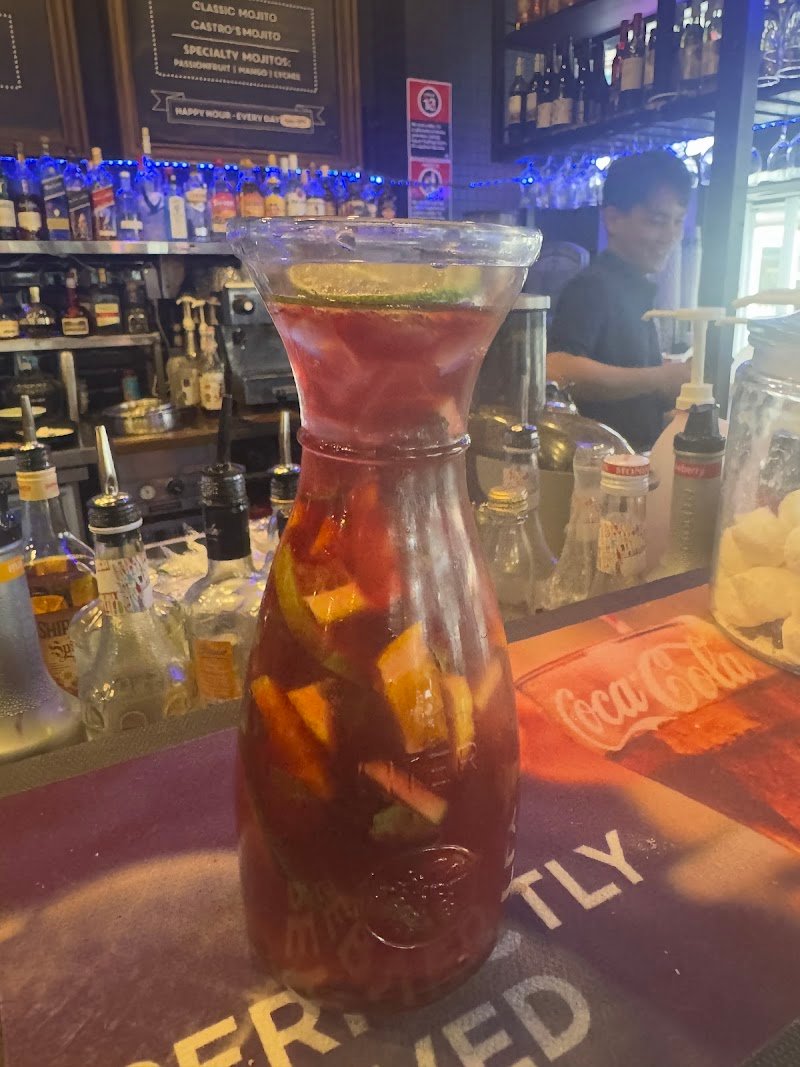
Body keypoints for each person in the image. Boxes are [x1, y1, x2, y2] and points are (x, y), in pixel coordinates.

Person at [546, 150, 694, 451]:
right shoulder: (593, 286)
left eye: (677, 222)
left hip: (633, 462)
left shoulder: (635, 288)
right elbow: (558, 367)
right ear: (613, 219)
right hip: (599, 467)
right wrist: (659, 378)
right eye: (657, 221)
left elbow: (626, 402)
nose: (670, 235)